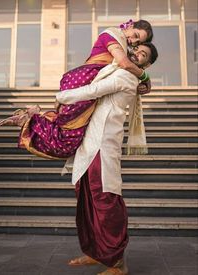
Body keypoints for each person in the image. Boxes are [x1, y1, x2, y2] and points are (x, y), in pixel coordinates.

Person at [56, 42, 158, 275]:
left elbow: (93, 91)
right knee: (86, 199)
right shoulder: (116, 68)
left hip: (103, 144)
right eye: (136, 49)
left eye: (142, 55)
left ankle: (117, 262)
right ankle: (95, 251)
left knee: (105, 199)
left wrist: (60, 96)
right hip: (89, 143)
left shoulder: (126, 77)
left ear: (147, 64)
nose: (136, 54)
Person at [0, 20, 153, 160]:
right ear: (131, 25)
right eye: (135, 35)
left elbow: (123, 74)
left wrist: (138, 83)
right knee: (68, 142)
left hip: (86, 82)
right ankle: (31, 118)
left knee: (68, 133)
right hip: (81, 81)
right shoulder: (112, 34)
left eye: (138, 41)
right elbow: (124, 63)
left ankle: (35, 115)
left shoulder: (123, 44)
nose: (133, 41)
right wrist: (146, 77)